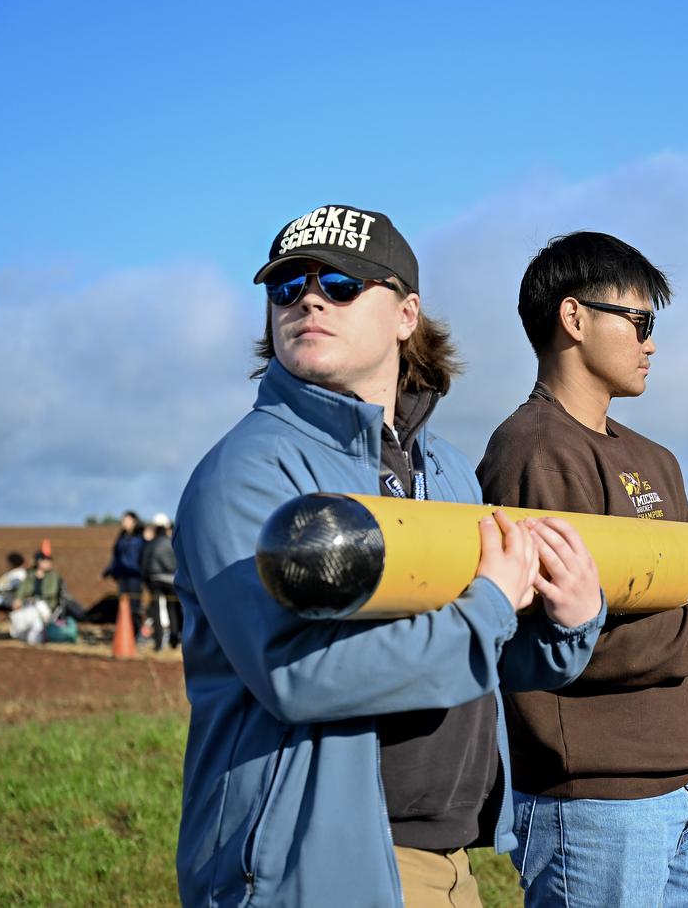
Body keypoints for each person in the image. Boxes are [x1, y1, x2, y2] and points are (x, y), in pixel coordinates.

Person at [173, 205, 606, 907]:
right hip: (315, 865)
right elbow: (297, 671)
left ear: (407, 314)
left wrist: (567, 622)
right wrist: (490, 605)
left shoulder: (449, 470)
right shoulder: (247, 473)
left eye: (341, 282)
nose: (308, 297)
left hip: (450, 863)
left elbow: (482, 655)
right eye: (286, 286)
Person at [477, 231, 688, 907]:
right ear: (573, 318)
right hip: (599, 808)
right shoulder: (533, 451)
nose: (651, 342)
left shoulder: (656, 458)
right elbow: (573, 645)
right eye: (639, 321)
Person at [140, 513, 181, 651]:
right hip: (172, 580)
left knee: (155, 610)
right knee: (173, 609)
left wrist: (146, 580)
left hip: (155, 580)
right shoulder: (172, 542)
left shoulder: (150, 544)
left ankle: (158, 643)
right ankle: (174, 640)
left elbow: (144, 564)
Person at [10, 551, 68, 644]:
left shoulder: (53, 576)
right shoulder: (30, 575)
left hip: (47, 607)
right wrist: (18, 598)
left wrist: (35, 599)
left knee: (37, 606)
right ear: (39, 562)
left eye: (50, 561)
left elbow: (51, 592)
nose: (49, 563)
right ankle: (33, 634)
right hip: (31, 606)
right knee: (34, 627)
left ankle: (17, 630)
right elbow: (22, 589)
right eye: (46, 561)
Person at [102, 511, 145, 632]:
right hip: (122, 576)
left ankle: (136, 632)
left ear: (134, 521)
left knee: (134, 606)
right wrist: (108, 571)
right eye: (123, 520)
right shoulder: (121, 538)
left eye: (126, 520)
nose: (124, 522)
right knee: (123, 605)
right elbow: (116, 557)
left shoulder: (140, 538)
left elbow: (144, 556)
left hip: (135, 577)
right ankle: (125, 632)